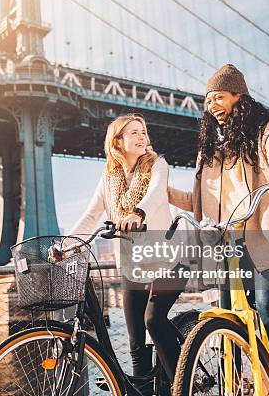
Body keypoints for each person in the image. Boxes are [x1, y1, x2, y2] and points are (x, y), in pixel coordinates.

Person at [168, 64, 269, 396]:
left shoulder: (265, 129)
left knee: (268, 309)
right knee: (224, 316)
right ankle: (236, 386)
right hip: (226, 241)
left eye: (219, 97)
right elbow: (198, 198)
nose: (212, 105)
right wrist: (157, 190)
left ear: (240, 96)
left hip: (260, 234)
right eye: (208, 100)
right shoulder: (209, 147)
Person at [66, 113, 186, 387]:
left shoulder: (158, 164)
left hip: (170, 259)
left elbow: (155, 194)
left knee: (153, 321)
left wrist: (137, 214)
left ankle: (184, 383)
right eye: (134, 132)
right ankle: (145, 390)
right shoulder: (108, 178)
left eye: (143, 131)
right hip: (134, 264)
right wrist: (65, 245)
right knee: (135, 343)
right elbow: (90, 215)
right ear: (117, 141)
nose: (142, 136)